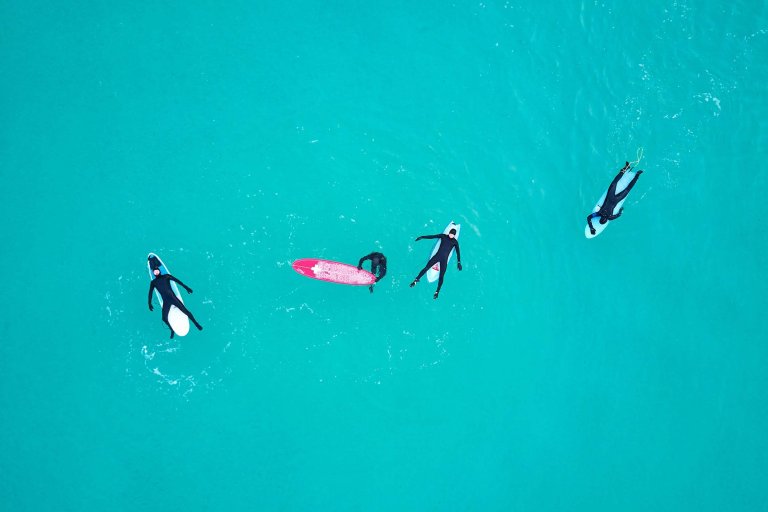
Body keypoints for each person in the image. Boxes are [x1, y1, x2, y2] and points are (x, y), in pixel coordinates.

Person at [147, 256, 203, 338]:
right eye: (154, 272)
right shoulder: (153, 282)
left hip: (173, 298)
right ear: (153, 273)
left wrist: (186, 287)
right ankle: (172, 330)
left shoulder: (166, 276)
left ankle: (196, 323)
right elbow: (150, 293)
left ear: (159, 271)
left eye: (157, 271)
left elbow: (178, 281)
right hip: (166, 301)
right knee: (164, 318)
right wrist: (149, 303)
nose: (156, 272)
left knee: (186, 311)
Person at [587, 162, 643, 235]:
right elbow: (589, 218)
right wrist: (591, 227)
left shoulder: (604, 215)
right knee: (621, 186)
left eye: (602, 219)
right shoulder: (605, 215)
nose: (604, 218)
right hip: (614, 198)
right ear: (605, 220)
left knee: (620, 186)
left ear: (602, 219)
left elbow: (589, 218)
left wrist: (621, 209)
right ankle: (634, 173)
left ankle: (632, 171)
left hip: (613, 197)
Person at [410, 228, 462, 299]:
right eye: (450, 233)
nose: (451, 235)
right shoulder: (443, 236)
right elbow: (432, 236)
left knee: (441, 276)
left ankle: (437, 292)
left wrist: (458, 262)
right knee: (426, 268)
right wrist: (422, 237)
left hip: (444, 260)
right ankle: (415, 280)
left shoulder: (455, 242)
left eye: (452, 235)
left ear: (454, 235)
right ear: (449, 232)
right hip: (437, 256)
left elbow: (458, 252)